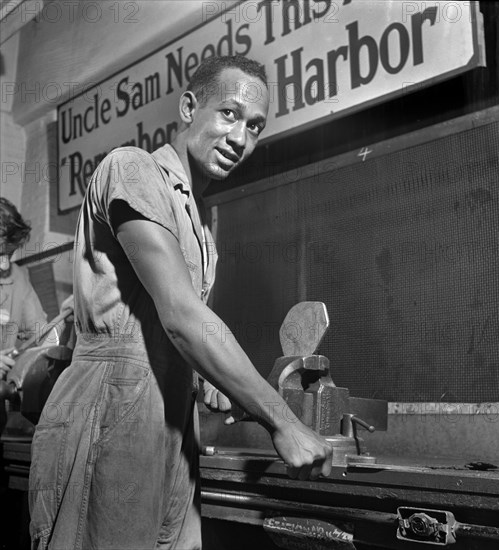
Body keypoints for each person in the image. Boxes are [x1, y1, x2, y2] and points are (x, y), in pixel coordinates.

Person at [28, 55, 333, 550]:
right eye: (229, 114)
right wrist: (282, 420)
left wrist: (202, 377)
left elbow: (171, 326)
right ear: (190, 106)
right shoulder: (132, 169)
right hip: (109, 407)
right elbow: (182, 316)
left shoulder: (202, 227)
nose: (240, 138)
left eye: (255, 126)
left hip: (170, 426)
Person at [0, 197, 48, 380]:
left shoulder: (17, 278)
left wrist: (66, 327)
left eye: (9, 255)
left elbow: (41, 333)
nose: (5, 266)